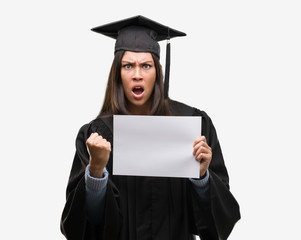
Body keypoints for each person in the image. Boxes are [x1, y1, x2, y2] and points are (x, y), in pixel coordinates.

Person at [60, 15, 240, 240]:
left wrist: (202, 176)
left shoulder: (192, 125)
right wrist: (96, 171)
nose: (137, 75)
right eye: (128, 66)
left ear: (157, 72)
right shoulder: (98, 134)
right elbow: (82, 229)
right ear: (118, 73)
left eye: (146, 65)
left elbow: (218, 222)